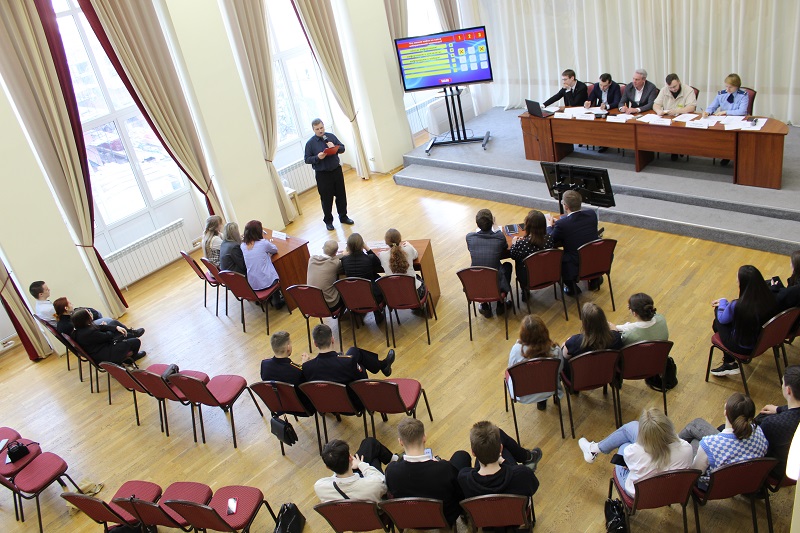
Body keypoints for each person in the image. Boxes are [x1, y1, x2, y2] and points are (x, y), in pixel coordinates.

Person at [578, 408, 693, 497]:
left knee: (624, 443)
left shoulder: (635, 451)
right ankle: (593, 449)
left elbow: (627, 463)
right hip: (671, 492)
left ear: (643, 434)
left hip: (639, 495)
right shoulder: (686, 448)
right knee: (631, 427)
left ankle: (593, 450)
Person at [385, 418, 471, 526]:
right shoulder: (444, 468)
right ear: (424, 437)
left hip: (410, 518)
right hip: (445, 517)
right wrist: (437, 464)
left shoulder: (391, 471)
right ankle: (464, 513)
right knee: (461, 456)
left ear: (400, 442)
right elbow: (459, 491)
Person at [678, 392, 767, 486]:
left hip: (713, 486)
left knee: (694, 442)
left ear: (725, 412)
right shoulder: (758, 431)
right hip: (744, 480)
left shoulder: (709, 444)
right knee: (697, 427)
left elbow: (695, 472)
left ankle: (672, 449)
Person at [710, 265, 777, 377]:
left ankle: (730, 363)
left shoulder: (738, 305)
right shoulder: (770, 297)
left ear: (742, 284)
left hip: (742, 347)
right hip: (762, 342)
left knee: (717, 319)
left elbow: (722, 319)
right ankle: (729, 362)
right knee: (721, 320)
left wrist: (723, 302)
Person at [457, 420, 541, 499]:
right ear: (501, 448)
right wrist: (504, 462)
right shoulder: (522, 473)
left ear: (473, 453)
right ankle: (528, 457)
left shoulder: (464, 478)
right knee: (500, 437)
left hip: (485, 510)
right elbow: (533, 487)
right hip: (515, 509)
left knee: (484, 448)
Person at [545, 190, 600, 296]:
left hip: (575, 264)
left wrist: (549, 226)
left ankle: (572, 287)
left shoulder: (562, 224)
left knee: (558, 257)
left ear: (566, 206)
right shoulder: (591, 214)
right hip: (595, 259)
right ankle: (594, 280)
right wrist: (560, 223)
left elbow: (551, 239)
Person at [301, 324, 395, 385]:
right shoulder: (348, 361)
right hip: (353, 402)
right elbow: (363, 381)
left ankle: (383, 365)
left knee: (354, 351)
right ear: (332, 339)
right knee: (356, 358)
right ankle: (383, 365)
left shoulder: (307, 367)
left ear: (315, 343)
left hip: (330, 403)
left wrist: (305, 363)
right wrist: (359, 366)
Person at [303, 118, 354, 231]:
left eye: (321, 128)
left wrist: (335, 148)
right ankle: (329, 221)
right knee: (326, 199)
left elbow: (342, 148)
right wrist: (317, 157)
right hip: (323, 175)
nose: (320, 131)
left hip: (336, 171)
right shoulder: (310, 143)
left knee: (341, 195)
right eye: (317, 129)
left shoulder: (331, 137)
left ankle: (343, 216)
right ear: (313, 130)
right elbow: (306, 159)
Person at [507, 315, 564, 411]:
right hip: (549, 388)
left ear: (523, 333)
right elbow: (560, 369)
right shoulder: (555, 350)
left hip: (523, 393)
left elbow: (511, 369)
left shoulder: (516, 350)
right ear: (544, 331)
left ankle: (541, 401)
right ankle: (542, 400)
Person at [314, 437, 394, 502]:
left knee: (369, 443)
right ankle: (396, 459)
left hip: (350, 514)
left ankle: (394, 458)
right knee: (373, 456)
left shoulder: (319, 486)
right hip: (372, 504)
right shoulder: (375, 483)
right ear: (350, 458)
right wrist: (360, 464)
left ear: (327, 467)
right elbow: (383, 484)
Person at [466, 208, 512, 318]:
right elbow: (505, 247)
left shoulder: (470, 237)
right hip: (496, 281)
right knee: (507, 266)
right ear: (492, 222)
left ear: (477, 224)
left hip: (477, 284)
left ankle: (484, 306)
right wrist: (496, 227)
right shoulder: (499, 237)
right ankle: (501, 303)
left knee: (482, 269)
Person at [757, 365, 800, 478]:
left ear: (788, 390)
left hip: (778, 471)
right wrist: (779, 409)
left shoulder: (771, 423)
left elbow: (756, 446)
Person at [562, 302, 623, 379]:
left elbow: (565, 356)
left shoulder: (574, 342)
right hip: (606, 373)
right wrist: (615, 330)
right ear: (604, 320)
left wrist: (565, 344)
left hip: (582, 378)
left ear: (584, 323)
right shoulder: (616, 337)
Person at [259, 331, 315, 413]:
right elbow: (308, 387)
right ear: (288, 347)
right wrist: (305, 366)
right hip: (302, 408)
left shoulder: (264, 364)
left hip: (279, 405)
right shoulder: (297, 371)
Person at [71, 308, 146, 364]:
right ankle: (131, 359)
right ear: (85, 319)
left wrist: (115, 327)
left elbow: (99, 327)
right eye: (89, 313)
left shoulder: (79, 329)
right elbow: (108, 336)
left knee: (117, 326)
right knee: (136, 341)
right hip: (106, 353)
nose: (91, 313)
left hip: (101, 348)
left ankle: (131, 334)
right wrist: (111, 329)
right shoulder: (89, 333)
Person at [509, 210, 554, 301]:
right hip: (548, 273)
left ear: (527, 226)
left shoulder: (521, 244)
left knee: (518, 260)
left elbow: (513, 255)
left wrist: (514, 244)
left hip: (527, 278)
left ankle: (524, 290)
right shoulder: (549, 238)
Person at [240, 220, 284, 309]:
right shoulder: (263, 243)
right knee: (273, 272)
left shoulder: (243, 245)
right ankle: (277, 302)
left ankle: (270, 299)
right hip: (268, 282)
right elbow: (274, 249)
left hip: (253, 284)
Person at [340, 233, 384, 321]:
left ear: (348, 246)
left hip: (353, 297)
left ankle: (357, 311)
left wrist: (344, 253)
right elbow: (378, 263)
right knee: (377, 278)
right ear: (362, 245)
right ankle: (377, 312)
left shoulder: (344, 260)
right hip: (372, 296)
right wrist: (367, 248)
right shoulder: (370, 258)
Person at [53, 297, 144, 339]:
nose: (72, 304)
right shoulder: (68, 324)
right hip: (88, 336)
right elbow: (83, 330)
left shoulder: (67, 317)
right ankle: (129, 334)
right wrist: (97, 326)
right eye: (70, 303)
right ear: (66, 308)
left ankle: (129, 333)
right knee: (110, 321)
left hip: (87, 331)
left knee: (102, 316)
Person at [30, 280, 102, 327]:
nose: (49, 289)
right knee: (97, 314)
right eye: (46, 289)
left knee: (93, 312)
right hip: (73, 325)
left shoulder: (40, 305)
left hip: (68, 322)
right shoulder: (47, 309)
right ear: (41, 294)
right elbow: (67, 315)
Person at [378, 228, 424, 299]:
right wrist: (409, 245)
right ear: (400, 240)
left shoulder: (382, 255)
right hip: (415, 293)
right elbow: (415, 255)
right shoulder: (408, 249)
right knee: (418, 278)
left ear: (386, 242)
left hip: (396, 297)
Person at [306, 240, 344, 313]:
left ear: (323, 248)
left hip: (313, 304)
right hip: (330, 305)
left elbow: (331, 258)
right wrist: (342, 254)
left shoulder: (312, 259)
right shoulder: (335, 263)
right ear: (336, 252)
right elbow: (334, 259)